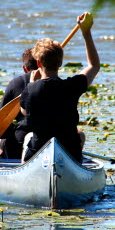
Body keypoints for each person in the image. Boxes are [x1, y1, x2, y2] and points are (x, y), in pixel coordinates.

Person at [19, 12, 100, 163]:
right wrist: (86, 32)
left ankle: (24, 167)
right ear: (60, 63)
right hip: (69, 150)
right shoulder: (72, 85)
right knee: (80, 135)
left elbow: (24, 111)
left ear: (38, 64)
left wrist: (31, 82)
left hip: (39, 150)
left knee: (29, 136)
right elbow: (94, 66)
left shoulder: (30, 89)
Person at [0, 48, 38, 158]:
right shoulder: (55, 81)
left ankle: (6, 156)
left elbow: (1, 118)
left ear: (24, 68)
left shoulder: (15, 83)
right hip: (50, 138)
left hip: (20, 140)